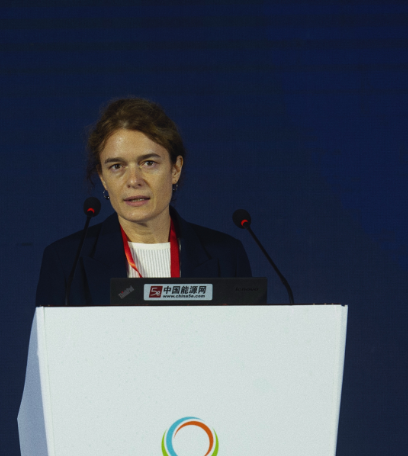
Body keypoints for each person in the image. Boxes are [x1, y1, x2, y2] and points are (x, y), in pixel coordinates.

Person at [35, 97, 252, 306]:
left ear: (175, 169)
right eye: (116, 166)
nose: (133, 180)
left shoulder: (227, 256)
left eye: (148, 163)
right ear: (102, 178)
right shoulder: (67, 262)